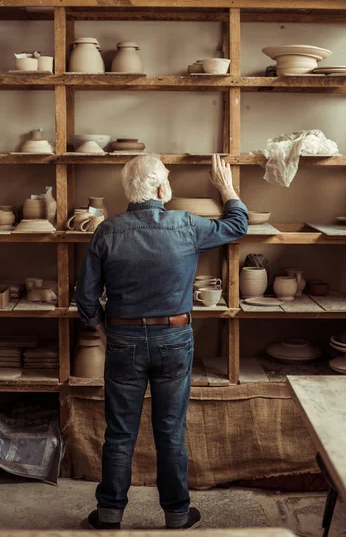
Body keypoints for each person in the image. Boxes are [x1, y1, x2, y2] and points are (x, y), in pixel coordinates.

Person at [76, 154, 248, 531]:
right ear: (160, 188)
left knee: (120, 431)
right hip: (174, 337)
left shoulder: (107, 231)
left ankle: (109, 514)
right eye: (167, 178)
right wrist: (227, 188)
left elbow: (86, 297)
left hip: (123, 339)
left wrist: (102, 326)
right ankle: (176, 514)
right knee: (169, 429)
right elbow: (238, 225)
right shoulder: (185, 224)